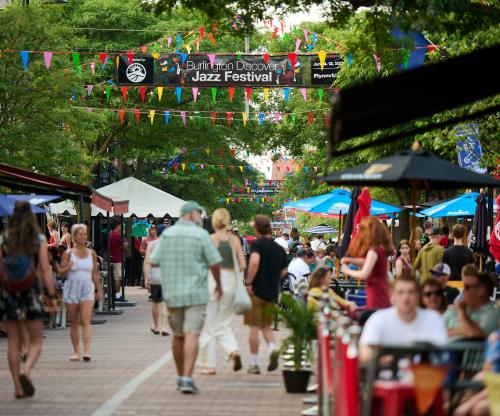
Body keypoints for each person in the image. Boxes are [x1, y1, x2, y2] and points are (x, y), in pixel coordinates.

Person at [151, 201, 222, 394]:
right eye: (198, 214)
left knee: (178, 335)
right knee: (192, 334)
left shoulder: (167, 235)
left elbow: (154, 261)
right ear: (192, 215)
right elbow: (214, 263)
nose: (200, 218)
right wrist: (219, 285)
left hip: (172, 292)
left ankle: (180, 374)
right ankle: (187, 378)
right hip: (196, 293)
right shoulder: (201, 235)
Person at [0, 201, 57, 398]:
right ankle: (26, 371)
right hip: (31, 293)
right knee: (36, 342)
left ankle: (17, 387)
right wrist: (51, 296)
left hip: (9, 294)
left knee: (13, 342)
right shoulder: (38, 239)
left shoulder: (5, 238)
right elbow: (45, 270)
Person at [198, 209, 246, 375]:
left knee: (209, 324)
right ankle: (233, 351)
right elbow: (242, 265)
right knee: (223, 323)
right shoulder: (235, 240)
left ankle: (209, 364)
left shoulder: (211, 239)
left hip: (214, 283)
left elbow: (206, 264)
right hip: (232, 283)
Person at [359, 275, 448, 362]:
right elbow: (364, 352)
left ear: (418, 295)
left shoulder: (434, 319)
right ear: (393, 295)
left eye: (411, 292)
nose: (406, 297)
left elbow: (442, 353)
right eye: (400, 292)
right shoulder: (378, 319)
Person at [244, 215, 288, 374]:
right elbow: (284, 271)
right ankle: (272, 350)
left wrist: (249, 282)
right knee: (266, 327)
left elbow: (254, 262)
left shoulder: (257, 244)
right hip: (272, 292)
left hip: (256, 291)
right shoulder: (279, 249)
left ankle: (254, 363)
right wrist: (272, 277)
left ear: (257, 228)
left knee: (254, 327)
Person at [59, 224, 102, 362]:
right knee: (74, 321)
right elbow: (61, 273)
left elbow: (94, 273)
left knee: (85, 319)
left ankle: (87, 350)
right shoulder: (68, 253)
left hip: (86, 288)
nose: (83, 236)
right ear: (74, 236)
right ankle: (76, 351)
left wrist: (99, 289)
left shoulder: (91, 253)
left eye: (85, 234)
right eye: (80, 234)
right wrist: (68, 267)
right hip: (71, 287)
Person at [340, 216, 393, 309]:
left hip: (376, 292)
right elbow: (368, 262)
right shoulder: (380, 248)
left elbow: (364, 274)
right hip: (381, 290)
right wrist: (350, 260)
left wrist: (346, 270)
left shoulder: (373, 250)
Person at [444, 271, 500, 342]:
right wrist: (465, 329)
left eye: (467, 287)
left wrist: (461, 312)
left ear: (481, 290)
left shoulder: (494, 314)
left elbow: (476, 333)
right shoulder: (465, 309)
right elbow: (441, 332)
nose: (463, 291)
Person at [143, 224, 169, 336]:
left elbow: (147, 262)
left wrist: (146, 277)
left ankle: (156, 325)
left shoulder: (151, 245)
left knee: (155, 301)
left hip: (155, 275)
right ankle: (164, 327)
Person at [109, 220, 128, 301]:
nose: (121, 227)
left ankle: (113, 294)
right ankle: (117, 295)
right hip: (117, 259)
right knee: (117, 278)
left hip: (111, 258)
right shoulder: (118, 235)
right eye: (121, 226)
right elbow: (125, 247)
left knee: (112, 277)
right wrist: (126, 243)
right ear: (117, 226)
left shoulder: (110, 234)